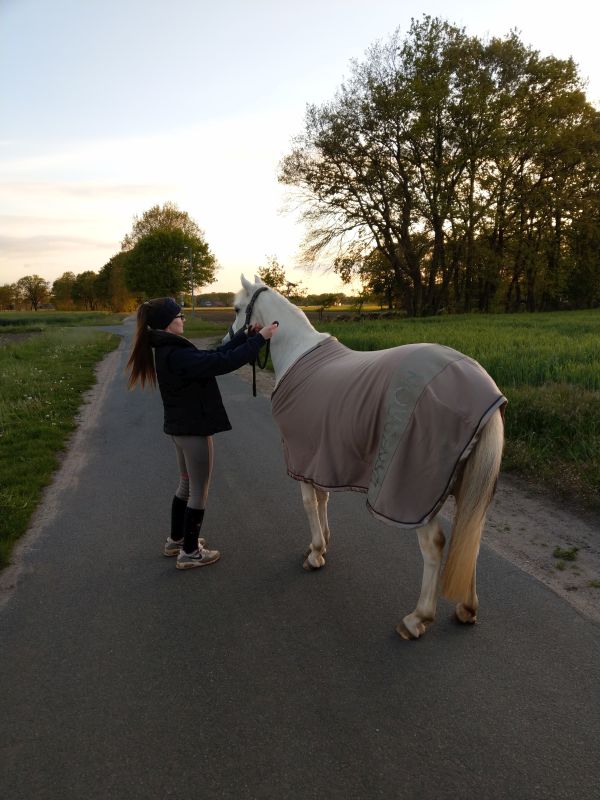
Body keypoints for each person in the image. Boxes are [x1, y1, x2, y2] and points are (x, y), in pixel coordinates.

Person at [127, 297, 278, 570]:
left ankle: (176, 540)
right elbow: (221, 363)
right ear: (168, 323)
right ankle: (190, 553)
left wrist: (245, 337)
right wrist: (260, 339)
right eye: (180, 315)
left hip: (180, 429)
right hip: (194, 430)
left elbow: (213, 357)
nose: (183, 319)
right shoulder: (176, 353)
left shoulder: (169, 348)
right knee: (198, 491)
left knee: (186, 486)